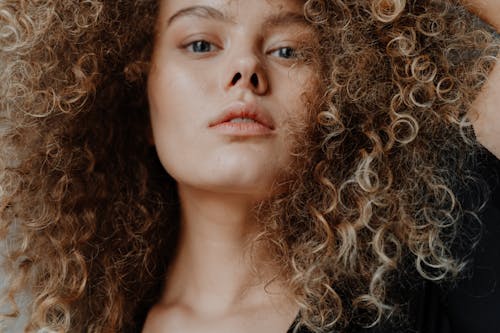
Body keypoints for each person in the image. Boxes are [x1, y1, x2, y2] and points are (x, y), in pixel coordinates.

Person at [0, 0, 498, 332]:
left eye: (288, 50)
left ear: (344, 90)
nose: (246, 70)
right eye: (201, 44)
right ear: (136, 88)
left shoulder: (437, 283)